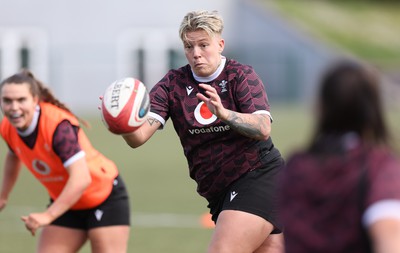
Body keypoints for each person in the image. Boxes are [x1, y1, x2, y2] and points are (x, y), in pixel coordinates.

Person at [112, 10, 284, 253]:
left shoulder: (239, 75)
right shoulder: (173, 84)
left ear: (220, 44)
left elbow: (263, 128)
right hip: (218, 192)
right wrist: (121, 121)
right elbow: (138, 137)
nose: (196, 53)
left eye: (204, 45)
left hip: (258, 176)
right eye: (189, 46)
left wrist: (224, 113)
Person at [0, 70, 130, 253]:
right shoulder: (7, 126)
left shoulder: (58, 126)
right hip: (67, 202)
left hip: (104, 197)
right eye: (7, 101)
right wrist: (3, 195)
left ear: (35, 99)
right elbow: (14, 154)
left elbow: (81, 179)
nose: (14, 107)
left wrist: (48, 215)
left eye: (21, 100)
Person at [279, 59, 400, 253]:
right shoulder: (379, 168)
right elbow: (389, 241)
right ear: (373, 109)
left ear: (320, 107)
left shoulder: (296, 167)